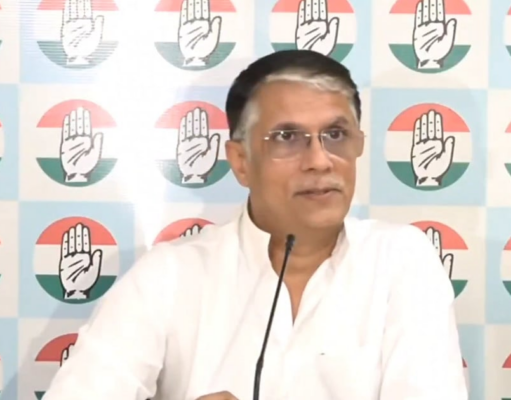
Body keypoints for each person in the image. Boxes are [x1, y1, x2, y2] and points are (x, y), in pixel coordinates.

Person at [43, 49, 468, 400]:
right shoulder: (169, 276)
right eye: (287, 137)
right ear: (241, 160)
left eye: (336, 135)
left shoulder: (400, 260)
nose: (320, 160)